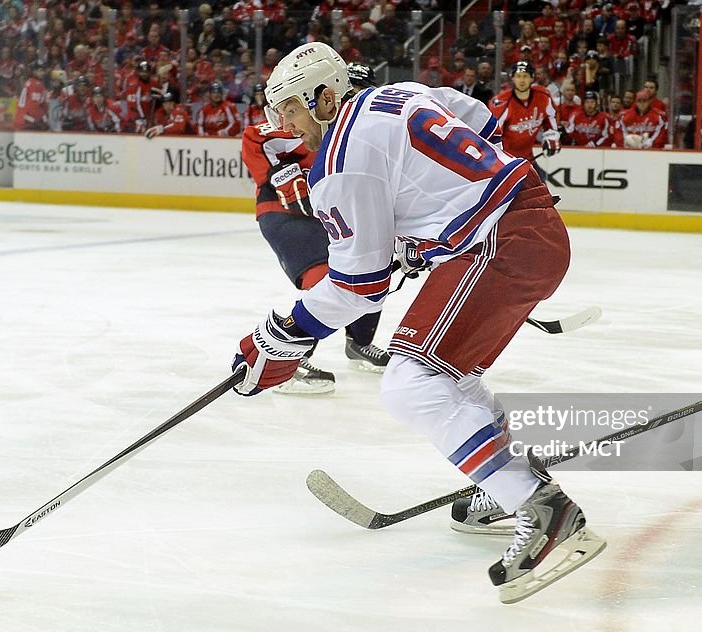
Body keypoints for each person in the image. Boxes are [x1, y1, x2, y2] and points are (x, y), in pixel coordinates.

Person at [233, 42, 604, 603]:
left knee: (411, 385)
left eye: (289, 110)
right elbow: (477, 119)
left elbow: (361, 285)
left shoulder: (339, 160)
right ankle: (505, 487)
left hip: (501, 244)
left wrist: (282, 338)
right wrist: (445, 213)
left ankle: (542, 510)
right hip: (514, 230)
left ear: (326, 98)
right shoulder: (399, 94)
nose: (281, 125)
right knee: (448, 376)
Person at [238, 65, 391, 392]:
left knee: (371, 269)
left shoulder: (368, 128)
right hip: (285, 210)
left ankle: (359, 342)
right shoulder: (303, 121)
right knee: (324, 278)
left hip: (329, 208)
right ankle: (286, 359)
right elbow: (255, 137)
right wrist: (277, 177)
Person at [488, 60, 560, 181]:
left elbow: (551, 117)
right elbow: (493, 134)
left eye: (525, 76)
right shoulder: (502, 103)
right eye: (518, 76)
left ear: (532, 78)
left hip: (528, 158)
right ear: (513, 78)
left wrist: (552, 137)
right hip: (505, 161)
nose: (522, 80)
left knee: (541, 191)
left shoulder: (543, 96)